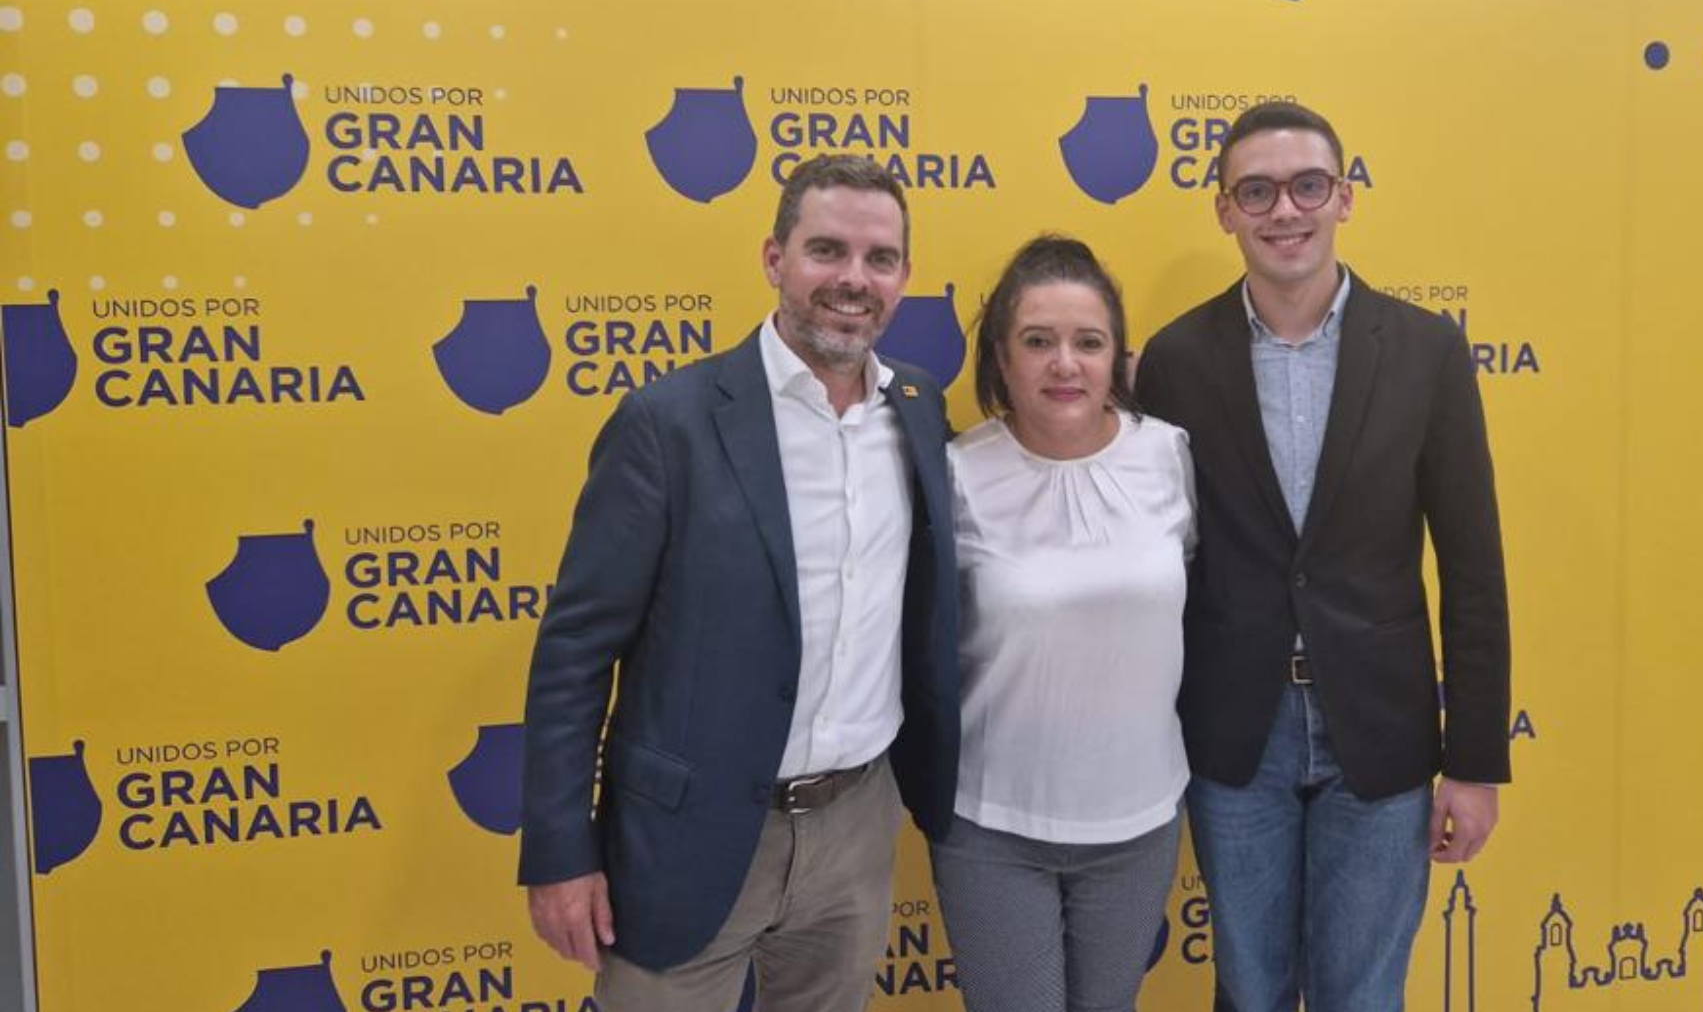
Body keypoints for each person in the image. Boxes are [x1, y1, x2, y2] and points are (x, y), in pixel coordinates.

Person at [517, 154, 961, 1012]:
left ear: (904, 276)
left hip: (856, 827)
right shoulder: (666, 424)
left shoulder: (920, 409)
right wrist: (560, 852)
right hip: (688, 833)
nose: (853, 280)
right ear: (774, 259)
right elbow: (576, 650)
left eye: (880, 259)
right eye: (827, 249)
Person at [1134, 102, 1511, 1012]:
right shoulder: (1175, 360)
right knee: (1251, 992)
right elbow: (1158, 566)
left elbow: (1473, 569)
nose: (1284, 211)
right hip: (1235, 733)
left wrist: (1476, 760)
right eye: (1255, 191)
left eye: (1308, 186)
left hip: (1378, 734)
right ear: (1224, 210)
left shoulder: (1426, 351)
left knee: (1363, 995)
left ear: (1344, 197)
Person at [930, 235, 1195, 1012]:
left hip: (1139, 824)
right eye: (1037, 341)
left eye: (1088, 342)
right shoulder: (956, 474)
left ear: (1118, 357)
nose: (1064, 363)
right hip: (992, 827)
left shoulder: (1171, 456)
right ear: (1001, 360)